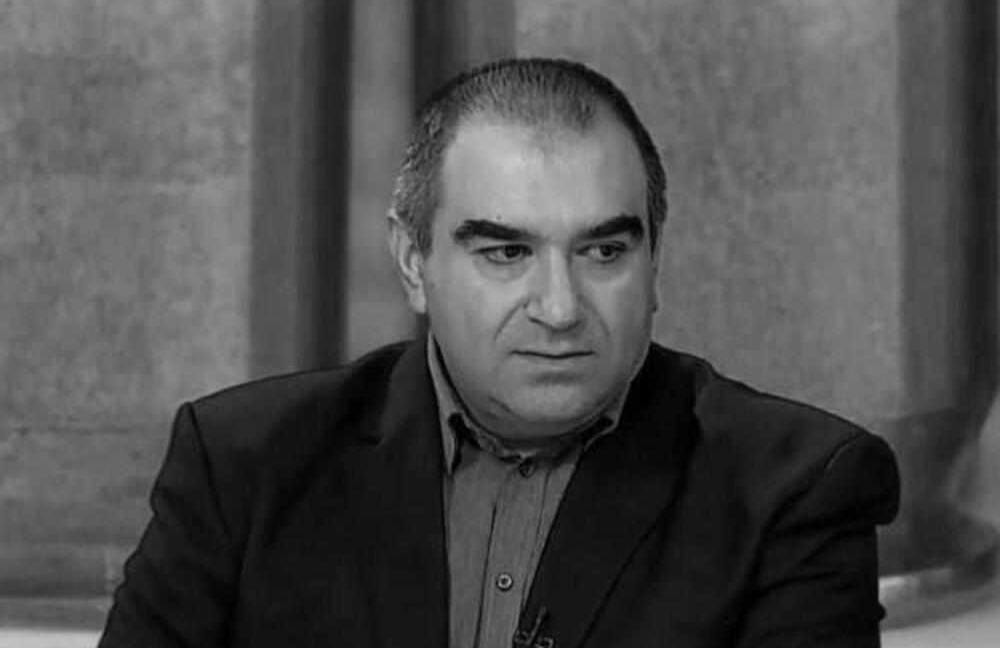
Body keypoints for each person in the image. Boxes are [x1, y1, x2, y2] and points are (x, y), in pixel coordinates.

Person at [99, 58, 899, 648]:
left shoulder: (794, 489)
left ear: (654, 259)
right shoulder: (244, 466)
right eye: (507, 254)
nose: (560, 309)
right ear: (413, 261)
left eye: (604, 252)